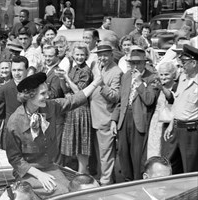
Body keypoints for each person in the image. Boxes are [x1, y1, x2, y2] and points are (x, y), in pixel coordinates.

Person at [5, 68, 102, 199]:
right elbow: (15, 159)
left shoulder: (50, 106)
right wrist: (39, 175)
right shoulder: (15, 122)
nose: (48, 96)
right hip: (28, 172)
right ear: (29, 96)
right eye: (43, 94)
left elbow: (74, 100)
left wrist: (96, 82)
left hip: (50, 167)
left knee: (72, 191)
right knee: (62, 193)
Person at [110, 45, 160, 181]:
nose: (135, 66)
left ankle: (138, 184)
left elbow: (149, 100)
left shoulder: (152, 78)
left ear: (145, 63)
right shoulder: (126, 76)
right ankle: (127, 182)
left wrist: (139, 83)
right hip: (124, 119)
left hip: (139, 121)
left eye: (138, 63)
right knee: (123, 155)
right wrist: (114, 120)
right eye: (132, 63)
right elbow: (121, 100)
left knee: (138, 158)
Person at [90, 43, 123, 186]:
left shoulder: (117, 72)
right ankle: (106, 182)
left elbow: (116, 97)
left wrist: (101, 83)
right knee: (99, 156)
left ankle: (106, 186)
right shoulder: (98, 67)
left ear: (111, 55)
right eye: (100, 55)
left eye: (105, 55)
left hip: (105, 119)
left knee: (106, 157)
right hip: (94, 118)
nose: (102, 58)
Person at [60, 42, 94, 174]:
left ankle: (82, 174)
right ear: (72, 55)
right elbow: (67, 90)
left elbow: (79, 91)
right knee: (74, 145)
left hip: (81, 110)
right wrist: (63, 79)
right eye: (77, 54)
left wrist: (67, 78)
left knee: (82, 145)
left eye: (82, 55)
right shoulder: (74, 68)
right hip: (72, 109)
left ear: (86, 56)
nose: (79, 57)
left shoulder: (85, 70)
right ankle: (78, 174)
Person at [164, 44, 198, 174]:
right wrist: (172, 124)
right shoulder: (183, 78)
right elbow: (178, 104)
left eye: (184, 62)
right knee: (170, 165)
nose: (181, 65)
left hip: (191, 132)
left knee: (190, 169)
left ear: (194, 63)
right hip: (177, 128)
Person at [0, 56, 28, 149]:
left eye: (20, 70)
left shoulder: (36, 88)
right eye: (14, 70)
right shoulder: (4, 90)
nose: (16, 74)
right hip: (10, 139)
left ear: (27, 70)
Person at [147, 62, 177, 158]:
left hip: (168, 124)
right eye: (161, 74)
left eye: (166, 74)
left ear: (173, 74)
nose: (163, 77)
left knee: (165, 153)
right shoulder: (157, 87)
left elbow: (170, 98)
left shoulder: (176, 86)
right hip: (156, 123)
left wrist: (162, 88)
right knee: (153, 152)